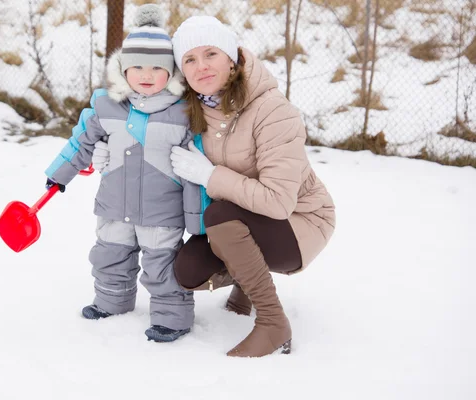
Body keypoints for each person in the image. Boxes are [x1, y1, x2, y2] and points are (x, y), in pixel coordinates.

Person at [167, 16, 336, 357]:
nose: (201, 67)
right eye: (190, 59)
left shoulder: (274, 111)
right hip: (243, 219)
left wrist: (211, 177)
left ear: (231, 58)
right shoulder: (194, 110)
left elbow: (278, 202)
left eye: (211, 54)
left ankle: (274, 324)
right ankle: (245, 286)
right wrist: (109, 153)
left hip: (301, 222)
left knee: (220, 215)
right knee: (188, 269)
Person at [44, 5, 205, 343]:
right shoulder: (105, 105)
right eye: (137, 67)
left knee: (162, 264)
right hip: (114, 203)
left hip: (162, 210)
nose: (146, 75)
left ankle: (171, 317)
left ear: (171, 71)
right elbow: (81, 143)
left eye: (156, 68)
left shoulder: (184, 113)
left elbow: (196, 164)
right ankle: (110, 302)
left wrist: (198, 217)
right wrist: (60, 174)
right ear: (122, 69)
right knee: (110, 255)